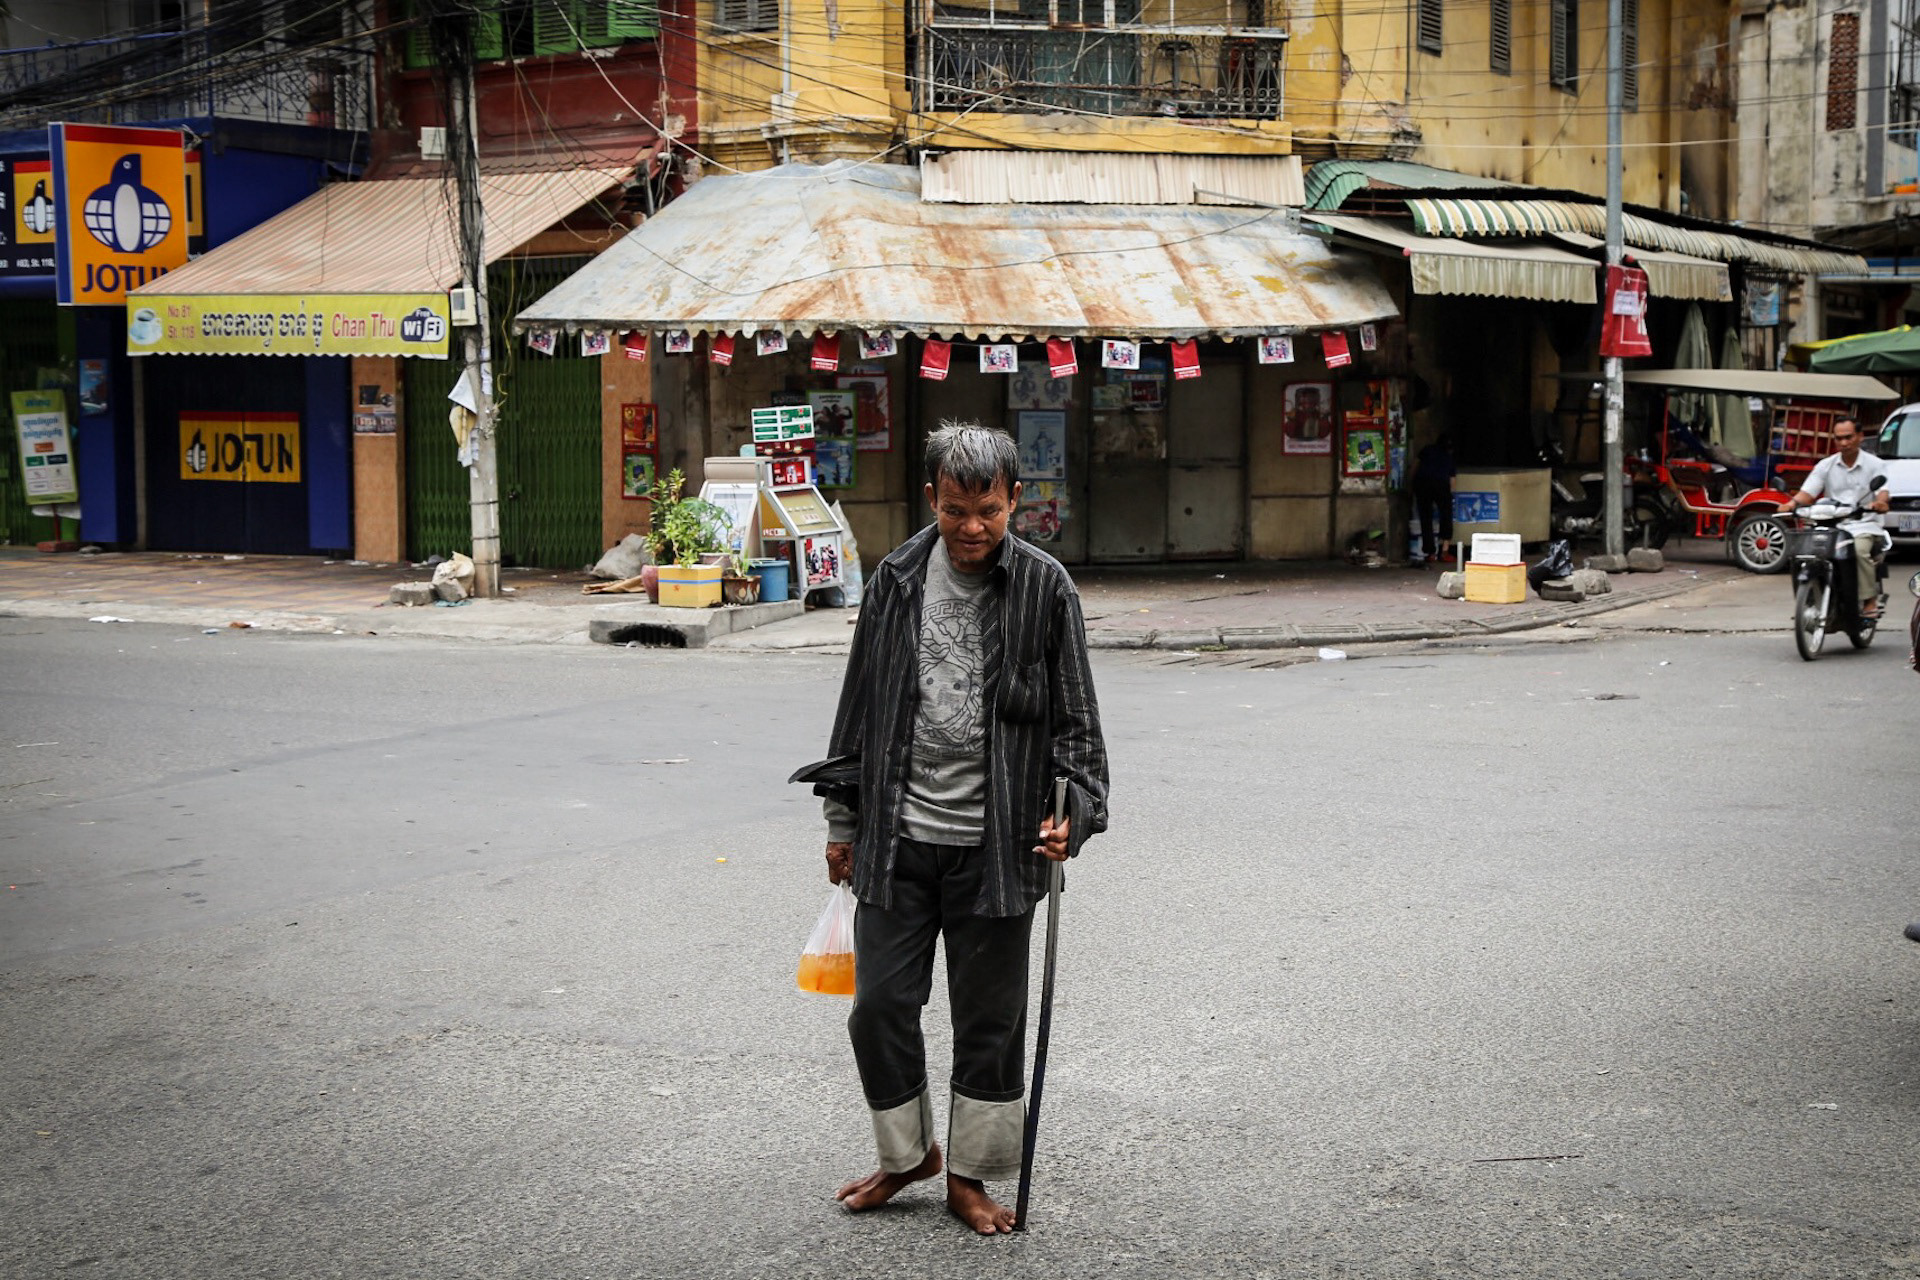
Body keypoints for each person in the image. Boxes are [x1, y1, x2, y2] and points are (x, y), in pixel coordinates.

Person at [809, 421, 1108, 1235]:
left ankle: (969, 1176)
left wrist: (1070, 819)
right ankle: (907, 1154)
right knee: (878, 1007)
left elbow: (1078, 729)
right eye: (953, 511)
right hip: (897, 839)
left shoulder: (1047, 590)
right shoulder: (898, 577)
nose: (971, 529)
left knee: (988, 1021)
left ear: (1016, 500)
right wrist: (843, 820)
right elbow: (860, 708)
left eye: (988, 511)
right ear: (931, 500)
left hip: (1000, 848)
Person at [1776, 417, 1890, 618]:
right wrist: (1792, 504)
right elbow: (1808, 492)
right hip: (1831, 524)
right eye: (1839, 439)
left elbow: (1882, 492)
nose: (1844, 443)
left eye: (1848, 437)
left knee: (1859, 551)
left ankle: (1869, 600)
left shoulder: (1875, 465)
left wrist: (1879, 503)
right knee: (1806, 553)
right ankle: (1810, 600)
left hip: (1863, 524)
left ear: (1860, 437)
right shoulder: (1825, 465)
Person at [1412, 432, 1456, 564]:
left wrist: (1411, 484)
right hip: (1441, 486)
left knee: (1426, 518)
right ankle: (1444, 551)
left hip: (1422, 484)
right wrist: (1450, 497)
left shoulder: (1427, 450)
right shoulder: (1449, 457)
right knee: (1446, 516)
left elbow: (1415, 466)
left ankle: (1430, 553)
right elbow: (1452, 480)